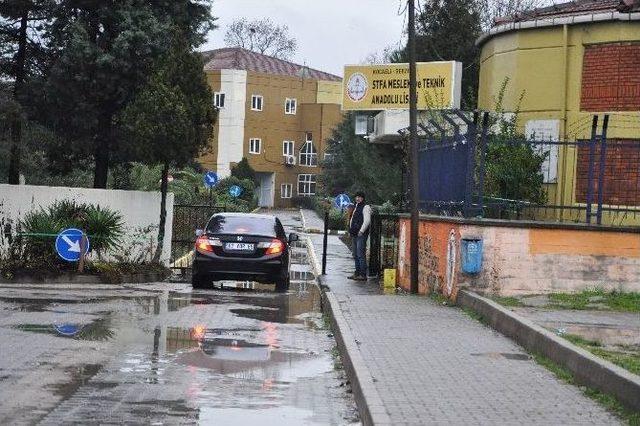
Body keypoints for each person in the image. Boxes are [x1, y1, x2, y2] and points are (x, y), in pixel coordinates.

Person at [348, 191, 371, 281]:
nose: (358, 198)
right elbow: (352, 219)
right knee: (355, 254)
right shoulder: (356, 206)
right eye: (356, 197)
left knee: (360, 255)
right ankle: (357, 273)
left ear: (363, 198)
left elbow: (367, 220)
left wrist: (361, 231)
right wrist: (350, 230)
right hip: (354, 233)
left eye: (360, 197)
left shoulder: (366, 207)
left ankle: (363, 274)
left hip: (361, 234)